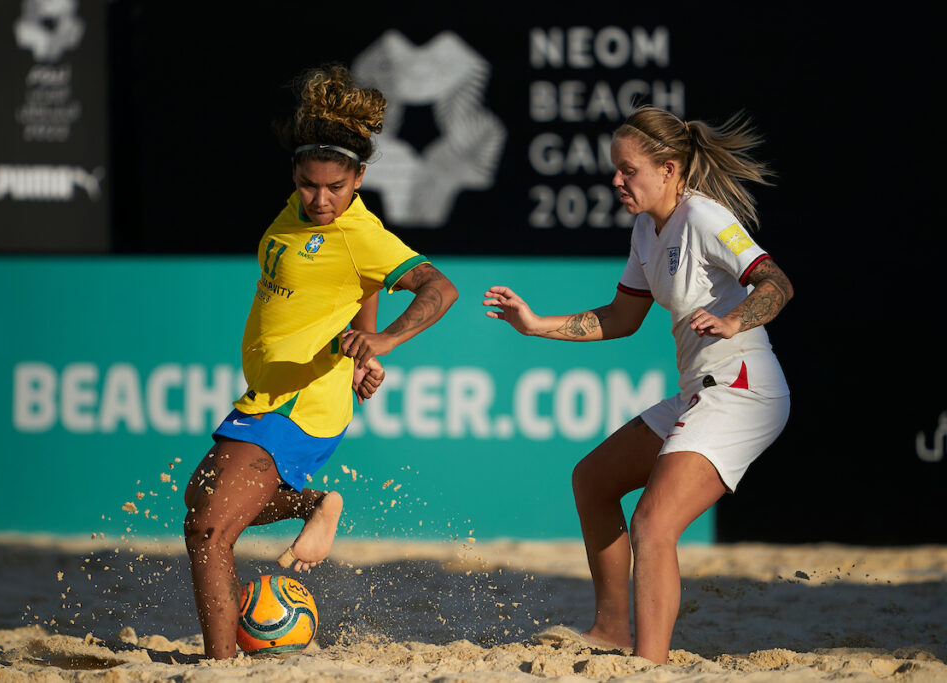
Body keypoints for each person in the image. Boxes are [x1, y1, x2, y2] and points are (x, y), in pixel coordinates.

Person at [483, 105, 792, 664]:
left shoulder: (703, 217)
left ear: (669, 170)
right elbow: (621, 319)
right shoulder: (646, 229)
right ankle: (609, 631)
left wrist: (734, 319)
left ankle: (649, 667)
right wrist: (534, 325)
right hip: (701, 388)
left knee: (654, 523)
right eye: (614, 168)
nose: (616, 180)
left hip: (744, 389)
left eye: (628, 170)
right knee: (593, 479)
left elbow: (777, 284)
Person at [183, 64, 459, 659]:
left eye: (336, 186)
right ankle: (315, 503)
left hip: (304, 403)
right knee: (199, 501)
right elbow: (357, 283)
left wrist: (382, 341)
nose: (321, 198)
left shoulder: (361, 230)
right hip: (266, 396)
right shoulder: (298, 211)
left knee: (209, 532)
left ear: (359, 178)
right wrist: (360, 345)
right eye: (311, 184)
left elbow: (440, 288)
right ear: (296, 175)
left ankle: (220, 666)